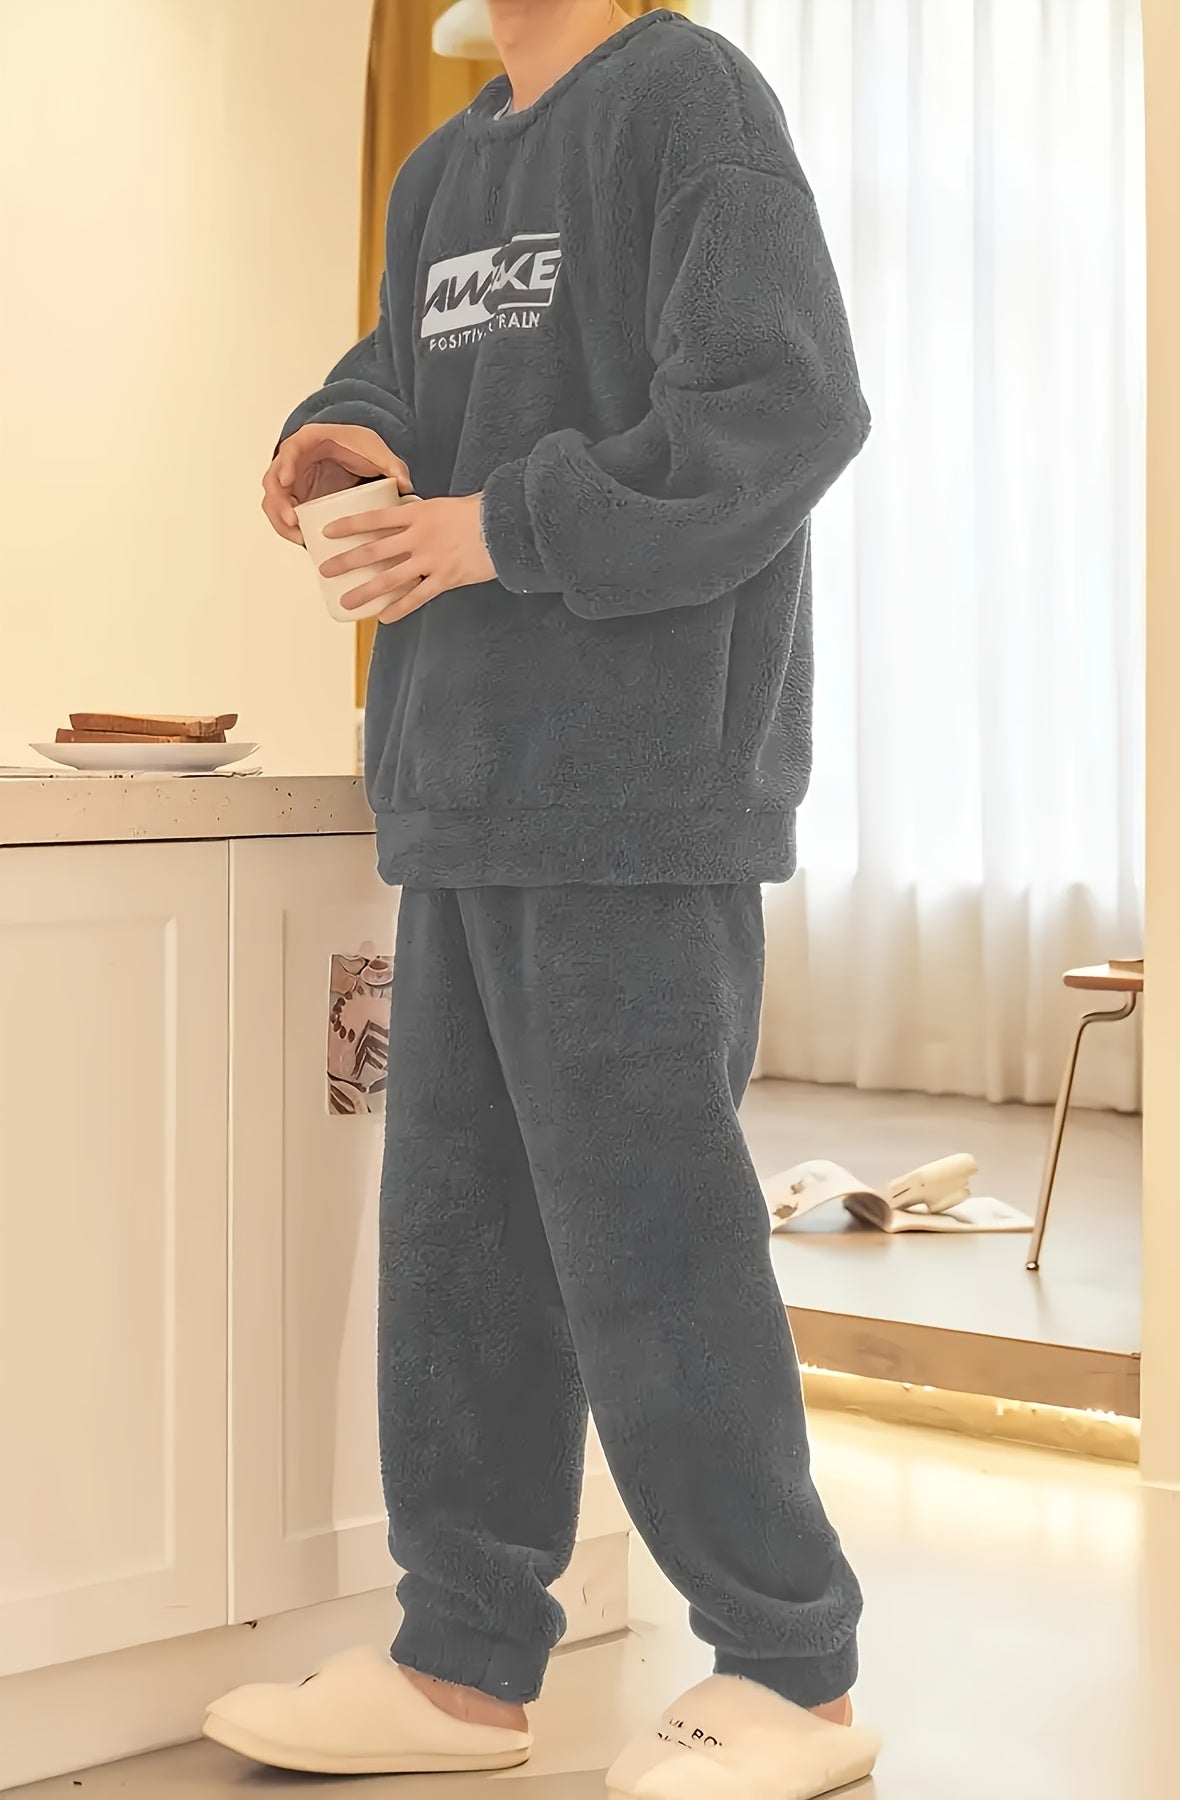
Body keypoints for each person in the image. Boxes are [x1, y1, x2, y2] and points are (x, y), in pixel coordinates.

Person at [205, 3, 876, 1795]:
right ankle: (460, 1665)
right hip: (466, 775)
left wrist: (494, 528)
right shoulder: (449, 164)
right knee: (462, 1255)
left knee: (653, 1248)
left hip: (634, 784)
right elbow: (406, 375)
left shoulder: (687, 99)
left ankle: (789, 1672)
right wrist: (340, 436)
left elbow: (780, 411)